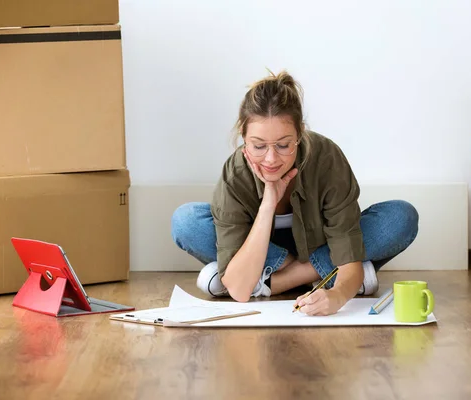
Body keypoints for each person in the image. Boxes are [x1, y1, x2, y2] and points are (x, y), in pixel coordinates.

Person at [171, 70, 419, 316]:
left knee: (400, 217)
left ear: (299, 134)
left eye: (283, 145)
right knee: (187, 221)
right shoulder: (236, 174)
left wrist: (337, 296)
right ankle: (323, 274)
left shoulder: (326, 158)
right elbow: (239, 289)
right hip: (274, 250)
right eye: (258, 146)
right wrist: (269, 201)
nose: (270, 159)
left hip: (321, 245)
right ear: (243, 138)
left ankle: (269, 282)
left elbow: (346, 248)